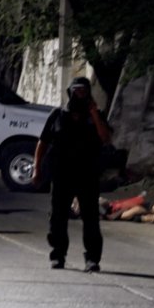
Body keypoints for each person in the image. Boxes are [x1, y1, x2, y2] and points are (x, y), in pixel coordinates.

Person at [31, 76, 112, 272]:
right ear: (70, 92)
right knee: (58, 216)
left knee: (91, 218)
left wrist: (93, 113)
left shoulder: (96, 115)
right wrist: (37, 168)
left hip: (88, 173)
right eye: (77, 90)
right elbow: (42, 142)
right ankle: (58, 255)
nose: (80, 94)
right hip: (61, 172)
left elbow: (105, 138)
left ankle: (92, 259)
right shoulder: (58, 115)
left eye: (84, 91)